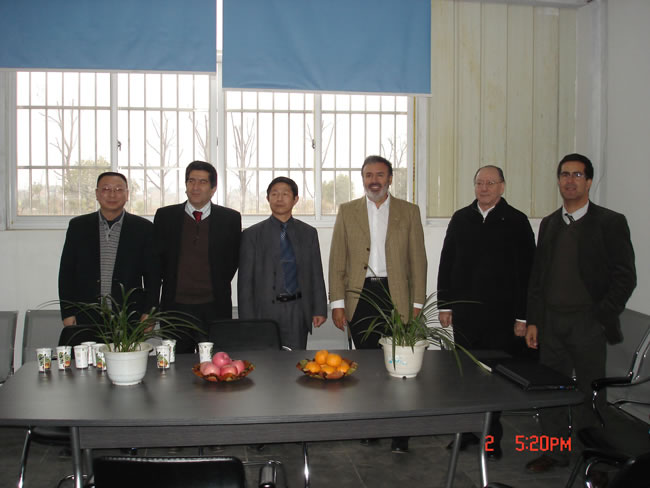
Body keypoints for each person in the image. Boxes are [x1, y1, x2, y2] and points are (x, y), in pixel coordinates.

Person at [524, 153, 636, 473]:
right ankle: (555, 452)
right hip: (551, 322)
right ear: (558, 180)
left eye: (577, 175)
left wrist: (602, 315)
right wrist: (533, 321)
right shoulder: (549, 223)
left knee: (590, 394)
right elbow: (538, 278)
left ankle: (595, 459)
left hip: (588, 323)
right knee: (551, 391)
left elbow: (625, 276)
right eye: (564, 174)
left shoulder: (610, 222)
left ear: (588, 182)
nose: (569, 180)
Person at [329, 155, 427, 453]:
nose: (374, 180)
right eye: (369, 175)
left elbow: (418, 260)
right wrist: (337, 303)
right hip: (360, 296)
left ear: (390, 178)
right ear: (363, 179)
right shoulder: (347, 211)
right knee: (368, 364)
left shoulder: (409, 211)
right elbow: (337, 260)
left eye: (380, 175)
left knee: (401, 366)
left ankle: (400, 432)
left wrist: (417, 302)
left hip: (396, 296)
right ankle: (371, 425)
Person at [437, 165, 536, 459]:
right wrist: (445, 305)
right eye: (480, 183)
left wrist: (523, 316)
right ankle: (466, 431)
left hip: (501, 318)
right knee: (465, 376)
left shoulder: (516, 221)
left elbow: (527, 273)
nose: (484, 188)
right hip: (466, 315)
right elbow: (447, 262)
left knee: (495, 379)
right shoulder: (461, 218)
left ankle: (492, 438)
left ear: (502, 187)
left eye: (491, 183)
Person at [153, 161, 241, 354]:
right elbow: (157, 261)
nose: (195, 187)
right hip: (175, 308)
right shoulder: (165, 216)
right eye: (191, 181)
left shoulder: (230, 219)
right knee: (175, 363)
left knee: (214, 363)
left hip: (214, 308)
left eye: (202, 182)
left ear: (213, 188)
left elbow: (232, 260)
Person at [238, 177, 327, 350]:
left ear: (295, 199)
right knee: (266, 361)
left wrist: (320, 309)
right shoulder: (252, 235)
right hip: (264, 311)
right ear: (268, 198)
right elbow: (245, 281)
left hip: (297, 309)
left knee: (295, 360)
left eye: (285, 194)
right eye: (274, 194)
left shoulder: (308, 233)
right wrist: (247, 320)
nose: (279, 198)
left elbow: (316, 273)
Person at [58, 171, 157, 326]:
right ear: (97, 194)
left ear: (127, 194)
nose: (112, 194)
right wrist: (67, 313)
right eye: (106, 189)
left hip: (129, 316)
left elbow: (153, 277)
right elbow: (66, 273)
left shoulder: (143, 228)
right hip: (86, 315)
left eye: (118, 189)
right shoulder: (78, 226)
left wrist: (149, 312)